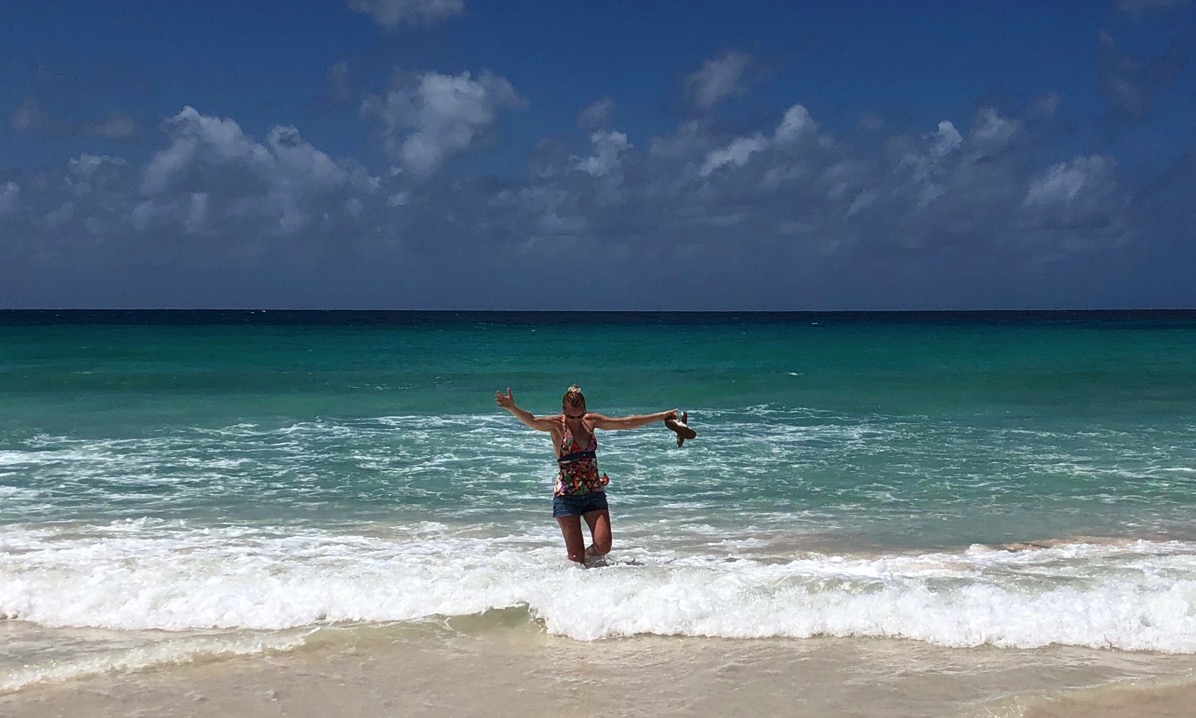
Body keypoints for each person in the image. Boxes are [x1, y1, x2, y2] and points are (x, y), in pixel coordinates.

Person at [495, 384, 677, 565]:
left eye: (580, 415)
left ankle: (589, 560)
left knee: (603, 546)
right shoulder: (556, 425)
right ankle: (576, 574)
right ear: (564, 411)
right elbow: (533, 420)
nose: (576, 420)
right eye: (571, 416)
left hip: (593, 492)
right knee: (576, 557)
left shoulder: (591, 421)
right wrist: (512, 408)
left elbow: (625, 422)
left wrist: (661, 416)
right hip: (567, 496)